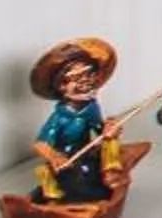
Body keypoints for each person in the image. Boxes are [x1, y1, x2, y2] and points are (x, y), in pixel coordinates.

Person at [29, 39, 124, 205]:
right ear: (62, 86)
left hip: (86, 151)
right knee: (47, 172)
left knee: (111, 142)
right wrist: (55, 157)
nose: (86, 81)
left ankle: (111, 171)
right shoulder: (60, 117)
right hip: (66, 158)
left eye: (89, 74)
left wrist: (110, 128)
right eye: (77, 77)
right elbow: (41, 144)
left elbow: (100, 130)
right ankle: (54, 200)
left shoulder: (91, 107)